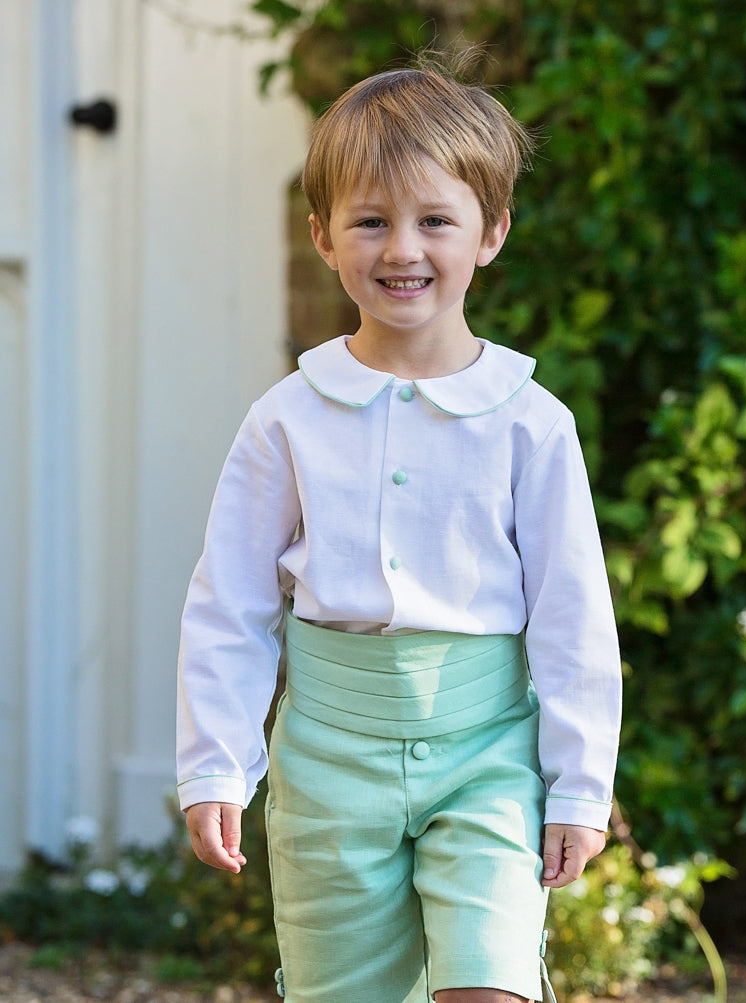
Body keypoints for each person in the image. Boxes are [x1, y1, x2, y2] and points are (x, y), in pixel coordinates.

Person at [177, 49, 622, 1003]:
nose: (401, 249)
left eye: (435, 221)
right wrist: (217, 763)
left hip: (488, 751)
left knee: (488, 983)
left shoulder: (530, 422)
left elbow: (574, 615)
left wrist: (580, 783)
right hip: (330, 760)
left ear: (491, 232)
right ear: (324, 238)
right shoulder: (288, 418)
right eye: (370, 221)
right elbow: (231, 603)